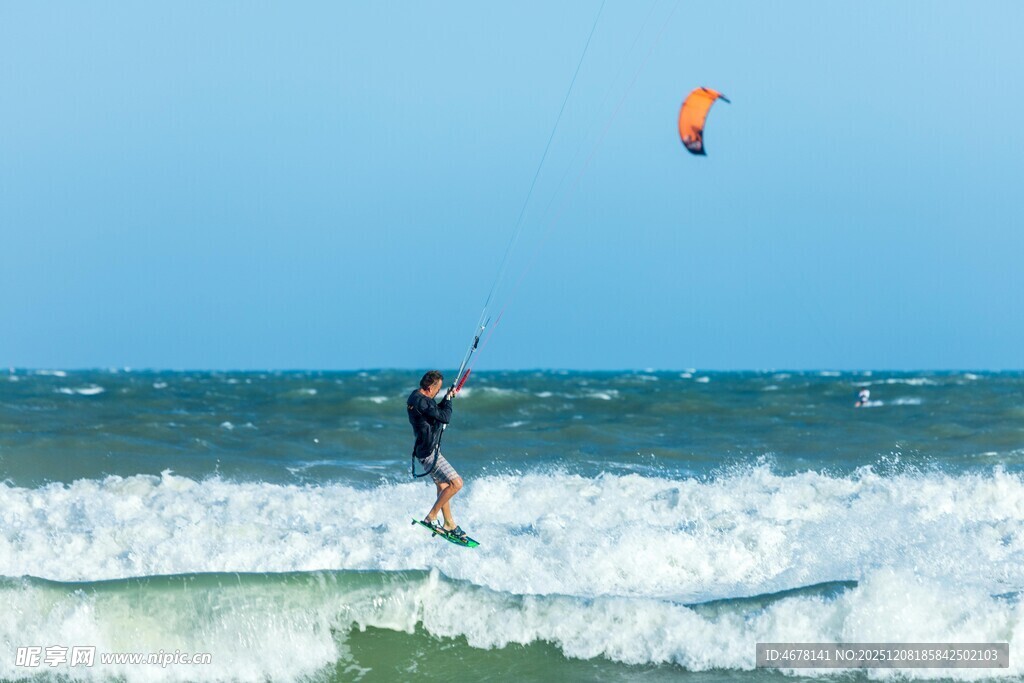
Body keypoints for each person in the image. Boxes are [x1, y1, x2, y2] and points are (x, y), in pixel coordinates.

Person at [407, 370, 467, 540]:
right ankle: (431, 516)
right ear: (429, 387)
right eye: (438, 388)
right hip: (429, 452)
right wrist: (448, 402)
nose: (438, 392)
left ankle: (449, 523)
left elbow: (434, 411)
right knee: (456, 483)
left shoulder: (415, 397)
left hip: (423, 450)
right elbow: (445, 417)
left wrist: (447, 398)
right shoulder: (423, 403)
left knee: (443, 487)